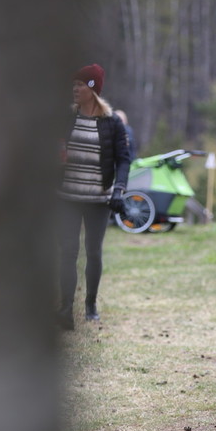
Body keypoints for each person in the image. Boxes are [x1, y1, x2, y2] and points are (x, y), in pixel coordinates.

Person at [57, 64, 130, 329]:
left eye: (80, 84)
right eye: (74, 84)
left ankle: (90, 305)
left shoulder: (112, 123)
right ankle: (66, 308)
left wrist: (119, 189)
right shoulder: (66, 118)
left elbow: (123, 159)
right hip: (67, 197)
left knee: (93, 251)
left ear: (92, 89)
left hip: (99, 199)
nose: (75, 89)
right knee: (68, 251)